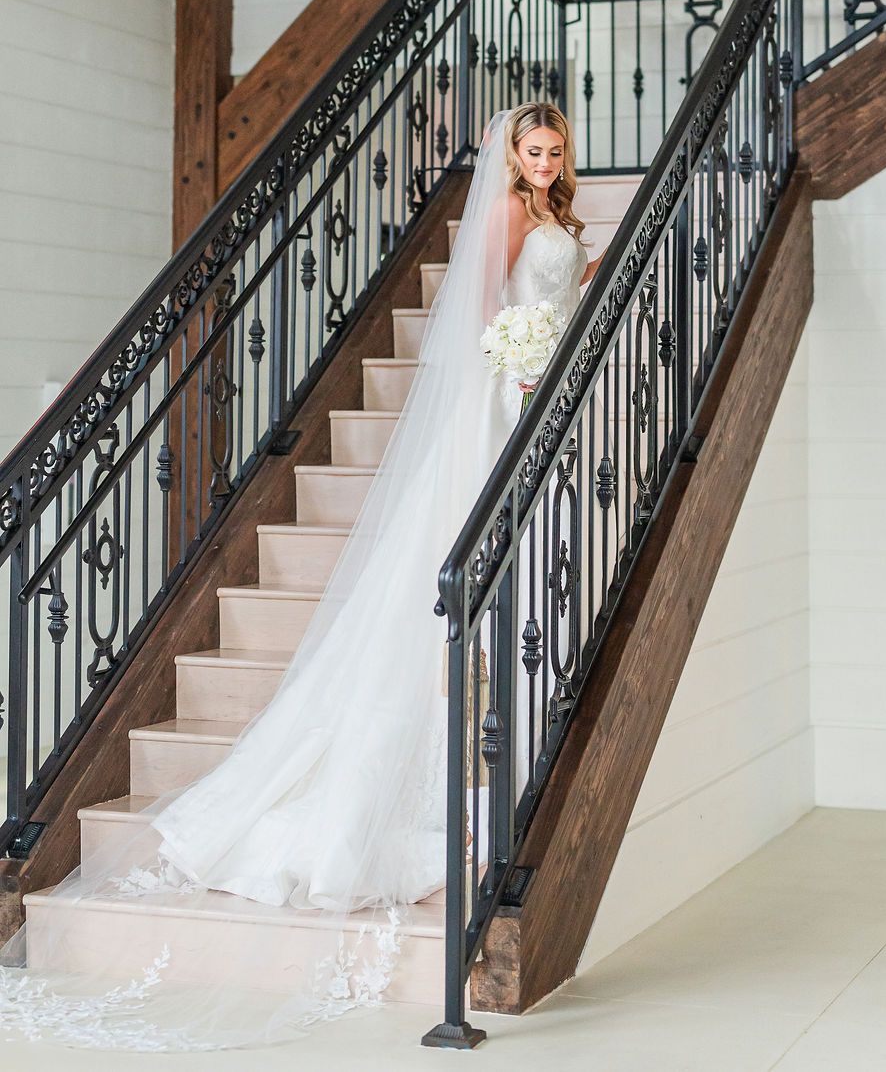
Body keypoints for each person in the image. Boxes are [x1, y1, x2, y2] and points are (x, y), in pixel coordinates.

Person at [0, 103, 608, 1052]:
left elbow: (556, 291)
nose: (542, 162)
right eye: (531, 150)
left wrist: (573, 300)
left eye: (554, 151)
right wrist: (521, 364)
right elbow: (485, 314)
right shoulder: (504, 215)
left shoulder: (560, 220)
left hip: (536, 378)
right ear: (511, 157)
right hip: (503, 393)